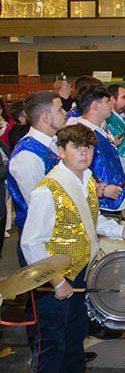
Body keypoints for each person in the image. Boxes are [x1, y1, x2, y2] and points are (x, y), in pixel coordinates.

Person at [20, 124, 125, 373]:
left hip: (81, 272)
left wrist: (121, 231)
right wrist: (56, 282)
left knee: (75, 338)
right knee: (52, 344)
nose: (83, 153)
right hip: (54, 281)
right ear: (60, 151)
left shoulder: (86, 180)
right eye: (76, 147)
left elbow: (89, 219)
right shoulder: (48, 189)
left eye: (87, 147)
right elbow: (30, 242)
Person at [8, 92, 65, 265]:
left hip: (61, 234)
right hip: (43, 244)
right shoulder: (26, 156)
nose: (66, 113)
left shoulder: (54, 143)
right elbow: (39, 205)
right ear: (46, 117)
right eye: (60, 109)